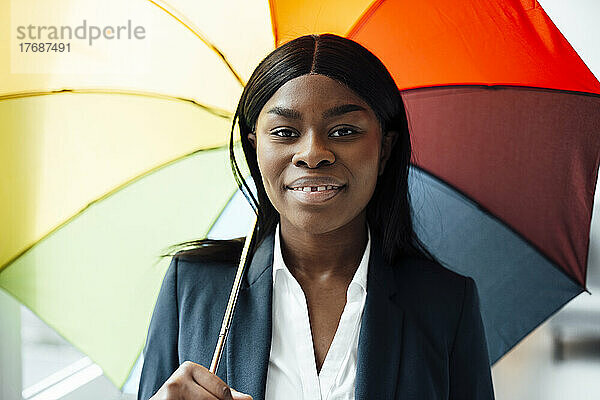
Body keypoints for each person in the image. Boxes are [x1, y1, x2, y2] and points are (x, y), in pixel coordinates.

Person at [137, 33, 495, 400]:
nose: (312, 154)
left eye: (343, 131)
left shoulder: (446, 303)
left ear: (385, 148)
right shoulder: (192, 288)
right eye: (284, 133)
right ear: (254, 146)